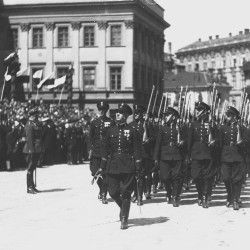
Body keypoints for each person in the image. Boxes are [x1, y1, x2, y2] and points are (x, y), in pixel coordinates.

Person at [97, 103, 142, 229]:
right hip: (113, 165)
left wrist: (138, 167)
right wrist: (102, 166)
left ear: (126, 115)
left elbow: (137, 150)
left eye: (120, 112)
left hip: (128, 165)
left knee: (126, 192)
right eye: (117, 112)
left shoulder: (133, 131)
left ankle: (124, 218)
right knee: (113, 192)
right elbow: (105, 150)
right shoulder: (110, 130)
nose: (117, 114)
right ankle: (123, 207)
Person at [153, 107, 185, 207]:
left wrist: (183, 142)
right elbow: (158, 143)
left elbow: (187, 140)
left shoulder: (180, 128)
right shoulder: (162, 128)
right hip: (164, 155)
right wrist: (155, 157)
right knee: (164, 177)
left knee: (177, 177)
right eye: (165, 115)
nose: (166, 117)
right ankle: (169, 191)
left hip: (177, 155)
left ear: (174, 117)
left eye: (168, 115)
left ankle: (175, 197)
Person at [187, 101, 217, 208]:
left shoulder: (212, 124)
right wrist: (188, 155)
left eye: (199, 110)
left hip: (208, 154)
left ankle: (205, 197)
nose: (198, 112)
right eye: (197, 110)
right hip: (196, 154)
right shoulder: (193, 124)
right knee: (196, 176)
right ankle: (200, 194)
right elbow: (189, 141)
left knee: (207, 178)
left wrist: (214, 141)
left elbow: (218, 139)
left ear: (205, 111)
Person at [218, 106, 248, 210]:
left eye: (229, 115)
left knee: (237, 180)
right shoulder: (222, 128)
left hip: (238, 156)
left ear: (234, 116)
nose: (226, 117)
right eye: (226, 115)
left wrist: (242, 144)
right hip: (226, 156)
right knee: (226, 178)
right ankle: (229, 195)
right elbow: (220, 144)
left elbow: (247, 142)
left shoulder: (242, 128)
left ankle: (235, 200)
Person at [88, 101, 114, 204]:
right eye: (100, 109)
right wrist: (90, 149)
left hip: (106, 152)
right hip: (96, 151)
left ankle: (103, 193)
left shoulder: (111, 122)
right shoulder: (94, 122)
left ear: (107, 110)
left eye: (103, 109)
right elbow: (90, 138)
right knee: (94, 172)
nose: (101, 111)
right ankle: (102, 188)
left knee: (106, 174)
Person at [129, 104, 155, 205]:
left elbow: (153, 138)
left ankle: (139, 196)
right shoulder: (131, 125)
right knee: (133, 176)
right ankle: (135, 193)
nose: (136, 114)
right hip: (134, 154)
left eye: (138, 113)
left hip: (144, 154)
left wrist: (148, 140)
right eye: (135, 112)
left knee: (141, 176)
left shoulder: (147, 125)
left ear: (142, 114)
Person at [23, 108, 43, 194]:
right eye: (36, 115)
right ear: (33, 115)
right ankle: (29, 187)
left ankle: (33, 185)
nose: (37, 116)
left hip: (35, 148)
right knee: (30, 168)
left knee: (33, 167)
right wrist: (32, 150)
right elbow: (29, 139)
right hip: (31, 149)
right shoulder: (29, 124)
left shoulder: (34, 123)